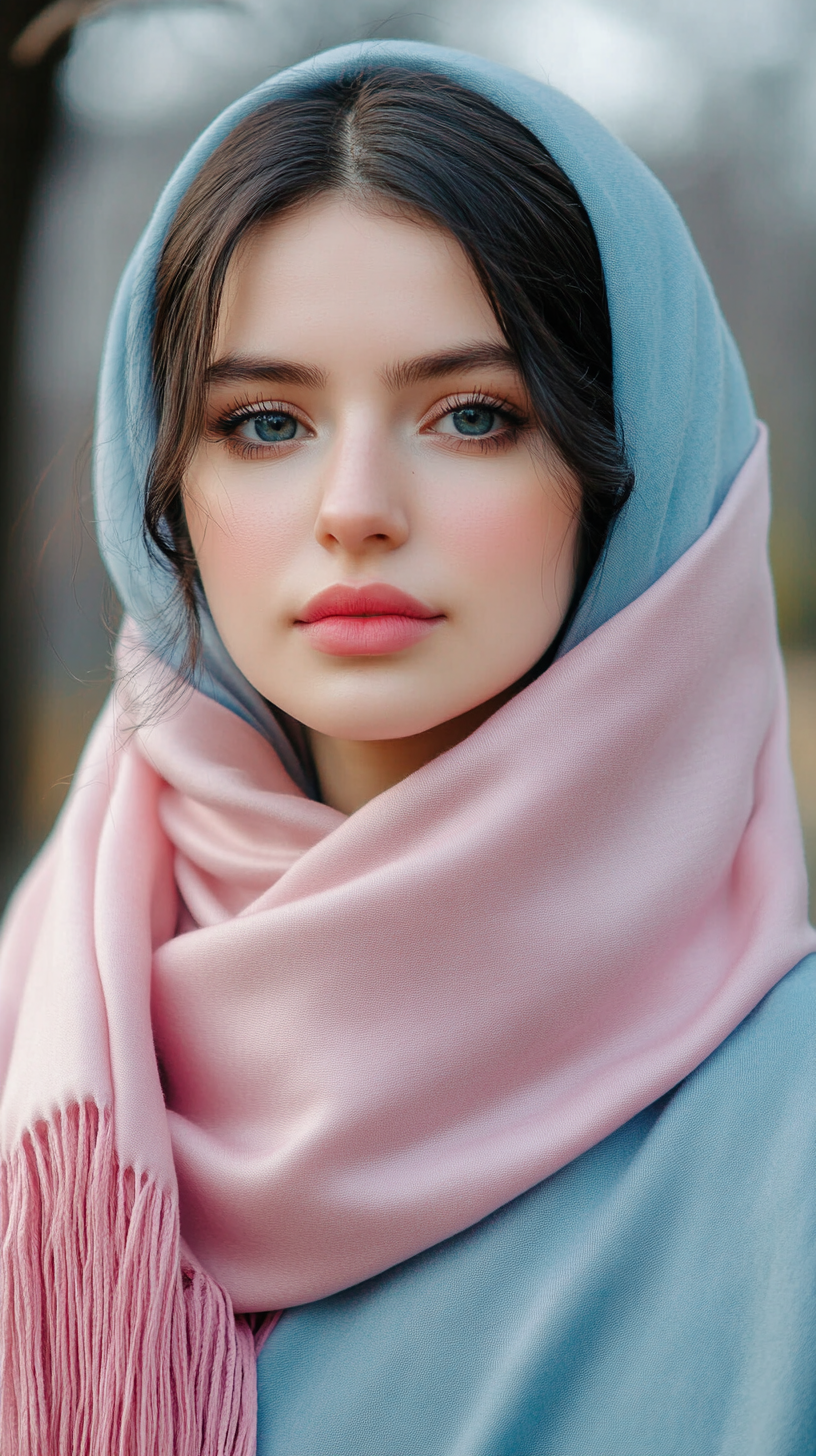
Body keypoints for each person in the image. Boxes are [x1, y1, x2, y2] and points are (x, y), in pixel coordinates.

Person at [1, 39, 814, 1456]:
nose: (357, 506)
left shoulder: (787, 1125)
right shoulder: (40, 1038)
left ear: (627, 468)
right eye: (264, 423)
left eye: (472, 415)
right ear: (167, 494)